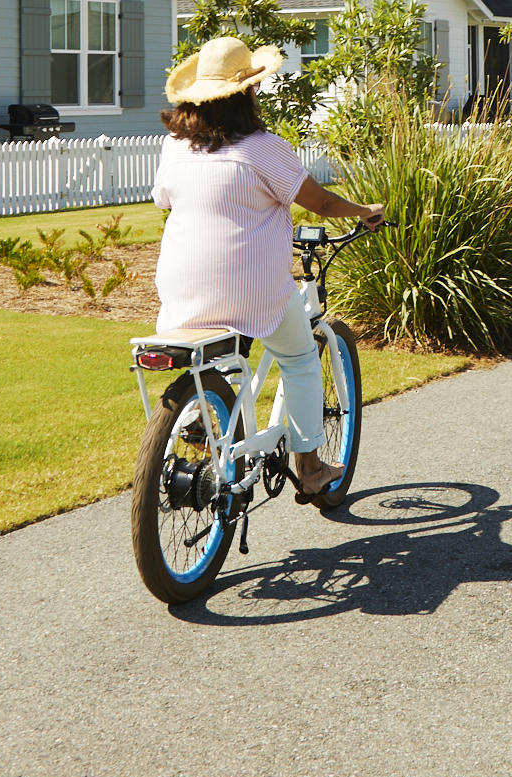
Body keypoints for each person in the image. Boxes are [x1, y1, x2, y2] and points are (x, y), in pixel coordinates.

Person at [151, 36, 383, 504]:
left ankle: (200, 417)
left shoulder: (174, 148)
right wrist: (363, 209)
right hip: (252, 289)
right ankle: (312, 468)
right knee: (298, 359)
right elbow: (319, 201)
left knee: (214, 347)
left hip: (181, 287)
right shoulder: (264, 148)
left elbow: (165, 200)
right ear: (246, 93)